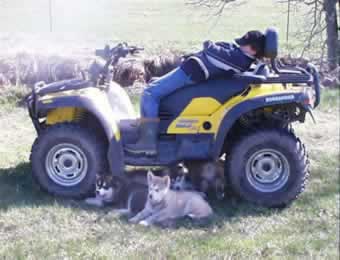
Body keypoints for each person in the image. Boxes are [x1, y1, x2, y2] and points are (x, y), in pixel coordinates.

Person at [125, 30, 266, 155]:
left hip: (189, 74)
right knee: (153, 84)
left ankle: (148, 143)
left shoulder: (239, 59)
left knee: (150, 93)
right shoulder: (242, 56)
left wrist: (208, 44)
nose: (240, 45)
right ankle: (146, 126)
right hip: (190, 69)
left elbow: (214, 52)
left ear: (253, 49)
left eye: (244, 43)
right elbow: (224, 49)